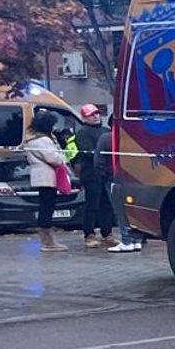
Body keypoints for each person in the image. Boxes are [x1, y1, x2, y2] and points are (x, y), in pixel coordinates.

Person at [22, 108, 72, 252]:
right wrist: (62, 156)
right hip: (46, 176)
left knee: (46, 206)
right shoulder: (42, 140)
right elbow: (54, 158)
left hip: (41, 175)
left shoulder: (32, 139)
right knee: (47, 207)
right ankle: (48, 241)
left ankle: (47, 239)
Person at [73, 104, 113, 249]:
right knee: (92, 204)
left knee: (106, 203)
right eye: (91, 115)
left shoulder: (106, 131)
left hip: (106, 172)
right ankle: (89, 234)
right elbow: (88, 152)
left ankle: (107, 233)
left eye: (96, 113)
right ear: (84, 118)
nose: (95, 116)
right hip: (91, 173)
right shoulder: (82, 133)